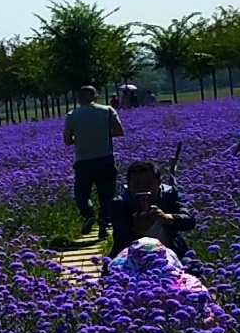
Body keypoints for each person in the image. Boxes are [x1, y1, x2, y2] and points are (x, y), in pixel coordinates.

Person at [64, 85, 124, 239]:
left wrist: (81, 137)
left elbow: (67, 140)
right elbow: (119, 132)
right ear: (96, 97)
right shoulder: (108, 111)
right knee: (107, 194)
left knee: (81, 193)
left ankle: (88, 214)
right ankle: (103, 225)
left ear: (79, 100)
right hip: (105, 158)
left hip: (83, 161)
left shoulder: (72, 115)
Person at [108, 161, 196, 258]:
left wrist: (166, 218)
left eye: (148, 183)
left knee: (192, 267)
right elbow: (120, 237)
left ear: (159, 182)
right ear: (128, 185)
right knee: (108, 269)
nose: (143, 189)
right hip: (132, 256)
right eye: (137, 185)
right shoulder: (120, 203)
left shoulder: (170, 195)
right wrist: (137, 230)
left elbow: (189, 221)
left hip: (172, 253)